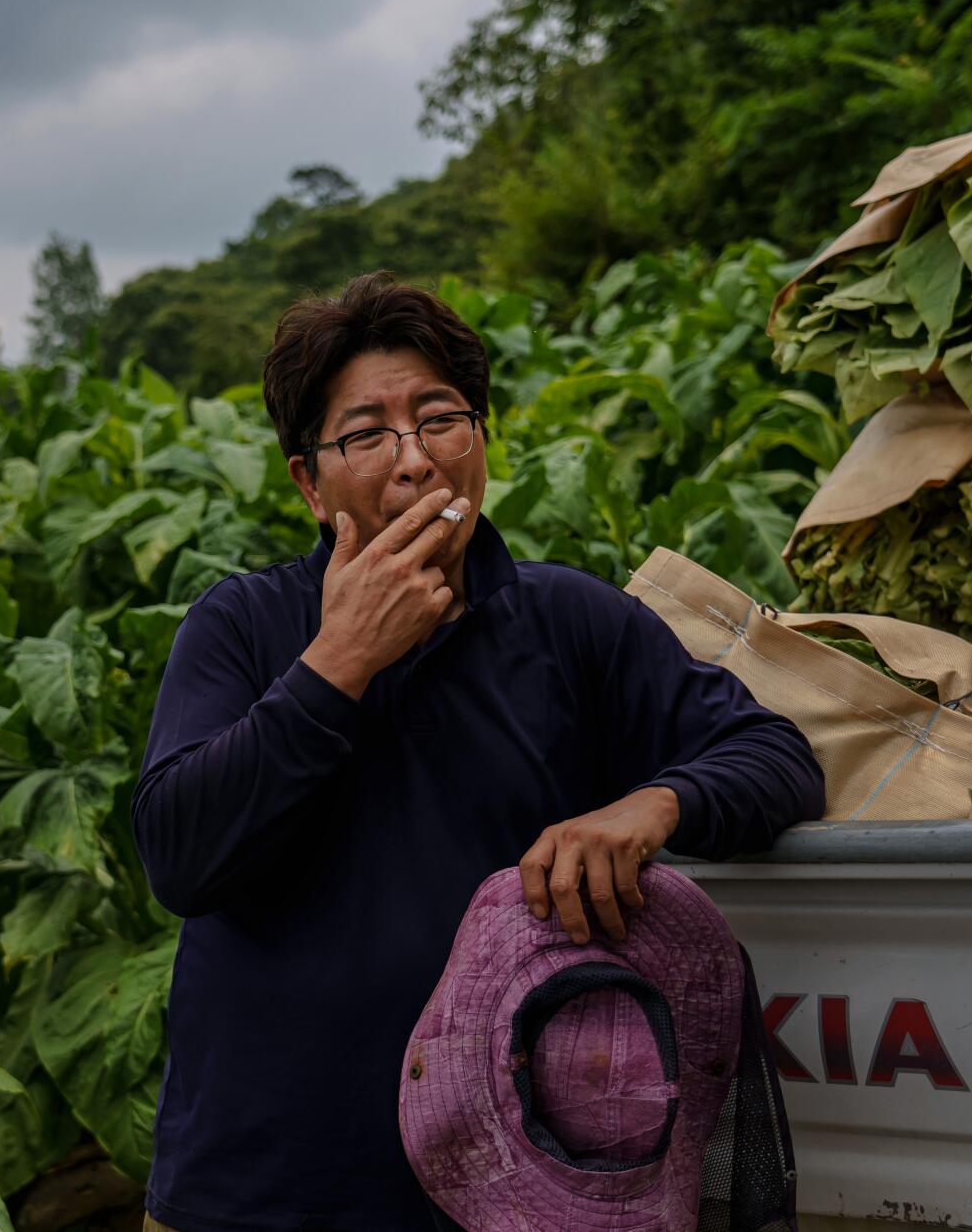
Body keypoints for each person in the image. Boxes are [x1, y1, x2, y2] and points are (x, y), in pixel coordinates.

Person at [129, 270, 825, 1232]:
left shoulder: (568, 621)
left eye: (440, 418)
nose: (414, 460)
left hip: (506, 1197)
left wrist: (651, 804)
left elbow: (772, 752)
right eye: (366, 434)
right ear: (308, 481)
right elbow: (178, 852)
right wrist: (339, 662)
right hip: (256, 1192)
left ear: (481, 441)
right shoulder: (242, 627)